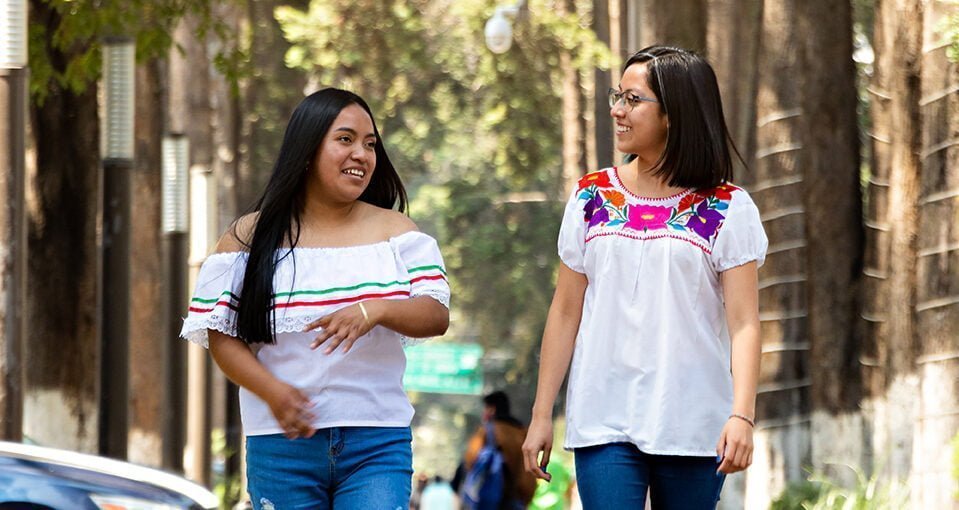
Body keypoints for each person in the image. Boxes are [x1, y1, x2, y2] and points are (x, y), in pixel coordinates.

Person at [180, 88, 451, 510]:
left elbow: (435, 314)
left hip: (376, 442)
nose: (361, 154)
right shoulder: (247, 238)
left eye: (370, 143)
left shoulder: (397, 232)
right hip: (281, 442)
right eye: (345, 139)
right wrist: (273, 392)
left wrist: (374, 310)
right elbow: (221, 337)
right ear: (307, 150)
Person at [522, 45, 767, 509]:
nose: (617, 109)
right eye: (618, 96)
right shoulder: (591, 196)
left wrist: (743, 415)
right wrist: (541, 415)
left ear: (674, 114)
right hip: (602, 418)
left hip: (694, 424)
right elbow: (565, 310)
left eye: (632, 100)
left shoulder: (727, 207)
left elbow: (744, 323)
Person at [459, 391, 537, 509]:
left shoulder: (487, 431)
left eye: (485, 408)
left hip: (488, 498)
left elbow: (470, 460)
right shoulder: (523, 433)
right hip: (516, 500)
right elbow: (529, 474)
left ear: (492, 409)